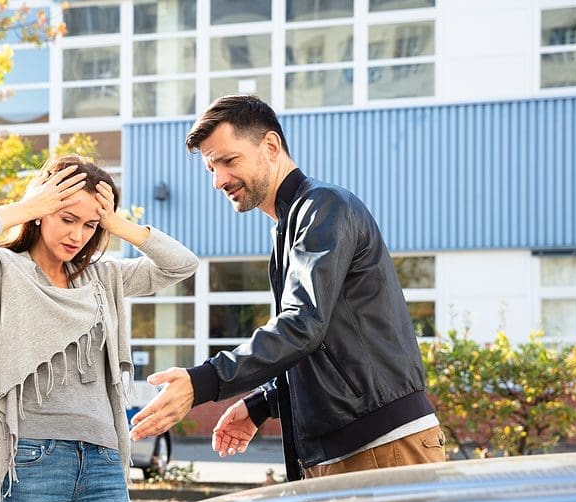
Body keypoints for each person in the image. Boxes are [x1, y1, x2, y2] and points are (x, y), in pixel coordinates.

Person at [130, 95, 445, 481]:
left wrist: (204, 381)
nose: (218, 181)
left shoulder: (324, 208)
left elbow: (302, 325)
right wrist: (262, 404)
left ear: (271, 146)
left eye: (228, 161)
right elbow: (327, 345)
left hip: (380, 444)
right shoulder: (290, 225)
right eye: (211, 168)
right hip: (348, 449)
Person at [0, 155, 198, 502]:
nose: (78, 234)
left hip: (101, 459)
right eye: (66, 218)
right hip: (29, 462)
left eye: (90, 225)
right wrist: (29, 206)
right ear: (43, 212)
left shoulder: (104, 278)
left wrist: (118, 225)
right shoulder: (3, 271)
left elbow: (181, 264)